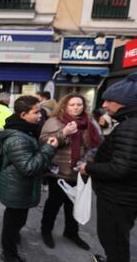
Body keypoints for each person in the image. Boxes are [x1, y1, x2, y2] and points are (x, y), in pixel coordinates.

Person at [78, 73, 137, 262]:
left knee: (114, 241)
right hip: (123, 195)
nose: (104, 105)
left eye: (110, 100)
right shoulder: (128, 123)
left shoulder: (130, 127)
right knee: (115, 240)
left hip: (118, 197)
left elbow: (120, 168)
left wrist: (89, 168)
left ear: (126, 102)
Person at [0, 95, 58, 262]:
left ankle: (12, 241)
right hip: (16, 187)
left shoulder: (26, 130)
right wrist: (48, 149)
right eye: (36, 112)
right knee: (12, 222)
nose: (40, 115)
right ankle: (9, 255)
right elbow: (28, 167)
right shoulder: (18, 138)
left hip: (20, 187)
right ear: (23, 115)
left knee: (16, 220)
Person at [40, 93, 100, 250]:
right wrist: (64, 133)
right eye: (72, 104)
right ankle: (46, 231)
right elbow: (43, 141)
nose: (76, 107)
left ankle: (71, 232)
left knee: (73, 205)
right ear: (65, 106)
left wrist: (90, 161)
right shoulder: (54, 121)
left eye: (79, 105)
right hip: (58, 172)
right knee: (53, 204)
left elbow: (96, 145)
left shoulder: (89, 122)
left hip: (80, 172)